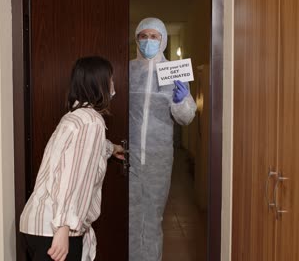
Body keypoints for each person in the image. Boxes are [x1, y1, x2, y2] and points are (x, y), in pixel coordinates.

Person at [20, 56, 124, 261]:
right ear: (100, 83)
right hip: (55, 228)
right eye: (111, 79)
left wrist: (112, 148)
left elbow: (82, 154)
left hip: (40, 226)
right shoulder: (91, 122)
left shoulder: (77, 116)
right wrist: (63, 227)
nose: (113, 85)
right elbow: (71, 177)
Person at [129, 18, 197, 261]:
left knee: (153, 216)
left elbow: (186, 117)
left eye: (154, 36)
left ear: (163, 40)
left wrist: (181, 100)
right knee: (130, 216)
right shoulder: (127, 70)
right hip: (129, 158)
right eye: (143, 36)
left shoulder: (173, 72)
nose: (148, 41)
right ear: (137, 40)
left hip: (158, 158)